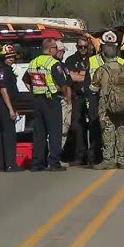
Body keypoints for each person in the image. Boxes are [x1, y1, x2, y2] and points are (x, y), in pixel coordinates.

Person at [89, 30, 124, 169]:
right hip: (123, 104)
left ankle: (109, 159)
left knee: (108, 130)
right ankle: (122, 159)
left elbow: (93, 89)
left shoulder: (101, 70)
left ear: (103, 52)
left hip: (106, 104)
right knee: (122, 129)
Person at [23, 38, 70, 171]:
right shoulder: (54, 63)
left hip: (37, 100)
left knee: (39, 133)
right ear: (50, 49)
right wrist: (65, 97)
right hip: (51, 100)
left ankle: (37, 163)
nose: (56, 50)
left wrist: (34, 90)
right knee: (55, 132)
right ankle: (54, 163)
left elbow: (25, 80)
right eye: (55, 48)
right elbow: (63, 84)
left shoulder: (34, 62)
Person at [63, 36, 92, 165]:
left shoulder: (94, 59)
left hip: (92, 97)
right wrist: (84, 75)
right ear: (76, 47)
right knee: (77, 127)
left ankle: (94, 156)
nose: (83, 49)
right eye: (80, 47)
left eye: (85, 46)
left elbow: (95, 76)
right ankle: (80, 156)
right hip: (77, 97)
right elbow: (70, 77)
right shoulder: (71, 60)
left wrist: (80, 75)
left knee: (94, 125)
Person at [0, 44, 22, 172]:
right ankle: (10, 164)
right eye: (8, 57)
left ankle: (1, 165)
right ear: (3, 58)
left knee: (2, 135)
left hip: (8, 105)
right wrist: (11, 109)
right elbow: (3, 91)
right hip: (5, 106)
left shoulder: (8, 70)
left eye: (12, 57)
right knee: (10, 135)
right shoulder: (2, 71)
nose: (11, 59)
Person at [55, 41, 73, 152]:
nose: (62, 53)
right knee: (57, 130)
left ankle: (58, 154)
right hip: (56, 101)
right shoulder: (52, 65)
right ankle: (53, 156)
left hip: (66, 103)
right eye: (60, 51)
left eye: (63, 51)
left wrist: (69, 102)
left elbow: (68, 83)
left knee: (65, 129)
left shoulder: (63, 65)